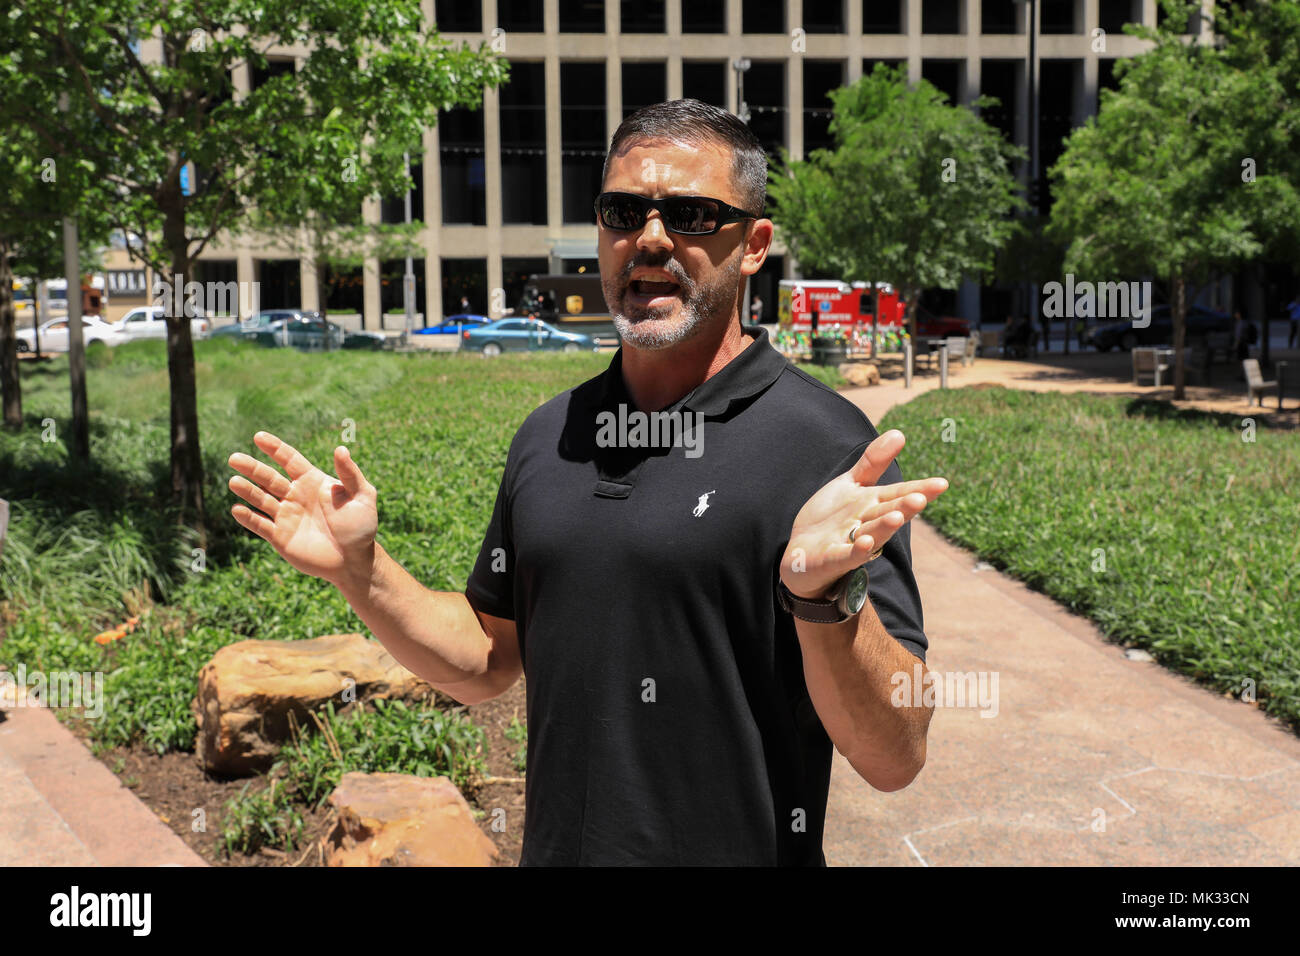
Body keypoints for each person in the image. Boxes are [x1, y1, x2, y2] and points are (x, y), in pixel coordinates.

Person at [226, 99, 948, 866]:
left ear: (754, 244)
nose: (652, 237)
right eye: (623, 210)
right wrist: (361, 571)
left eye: (695, 214)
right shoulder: (550, 435)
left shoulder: (827, 446)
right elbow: (486, 658)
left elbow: (894, 756)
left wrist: (821, 600)